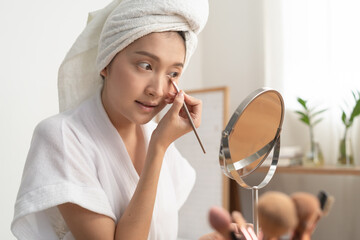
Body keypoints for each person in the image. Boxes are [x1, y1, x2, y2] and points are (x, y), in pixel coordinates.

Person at [11, 0, 209, 239]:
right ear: (106, 62)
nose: (157, 89)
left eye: (173, 73)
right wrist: (157, 148)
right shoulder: (62, 136)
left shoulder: (155, 134)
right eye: (145, 66)